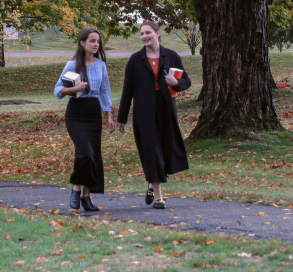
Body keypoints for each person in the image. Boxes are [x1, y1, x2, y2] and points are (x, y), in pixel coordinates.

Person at [116, 20, 192, 209]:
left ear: (157, 33)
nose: (144, 36)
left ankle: (152, 184)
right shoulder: (135, 59)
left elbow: (186, 82)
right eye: (142, 34)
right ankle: (158, 197)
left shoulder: (172, 56)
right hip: (144, 111)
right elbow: (128, 91)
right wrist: (122, 118)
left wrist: (175, 82)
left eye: (147, 32)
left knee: (164, 150)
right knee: (151, 151)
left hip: (166, 109)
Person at [55, 28, 114, 212]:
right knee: (84, 153)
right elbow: (58, 90)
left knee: (93, 155)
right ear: (82, 43)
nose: (96, 44)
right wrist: (76, 88)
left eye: (98, 41)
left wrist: (109, 115)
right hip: (76, 112)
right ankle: (76, 189)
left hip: (93, 113)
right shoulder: (72, 65)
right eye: (92, 41)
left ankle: (86, 197)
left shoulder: (101, 65)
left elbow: (105, 91)